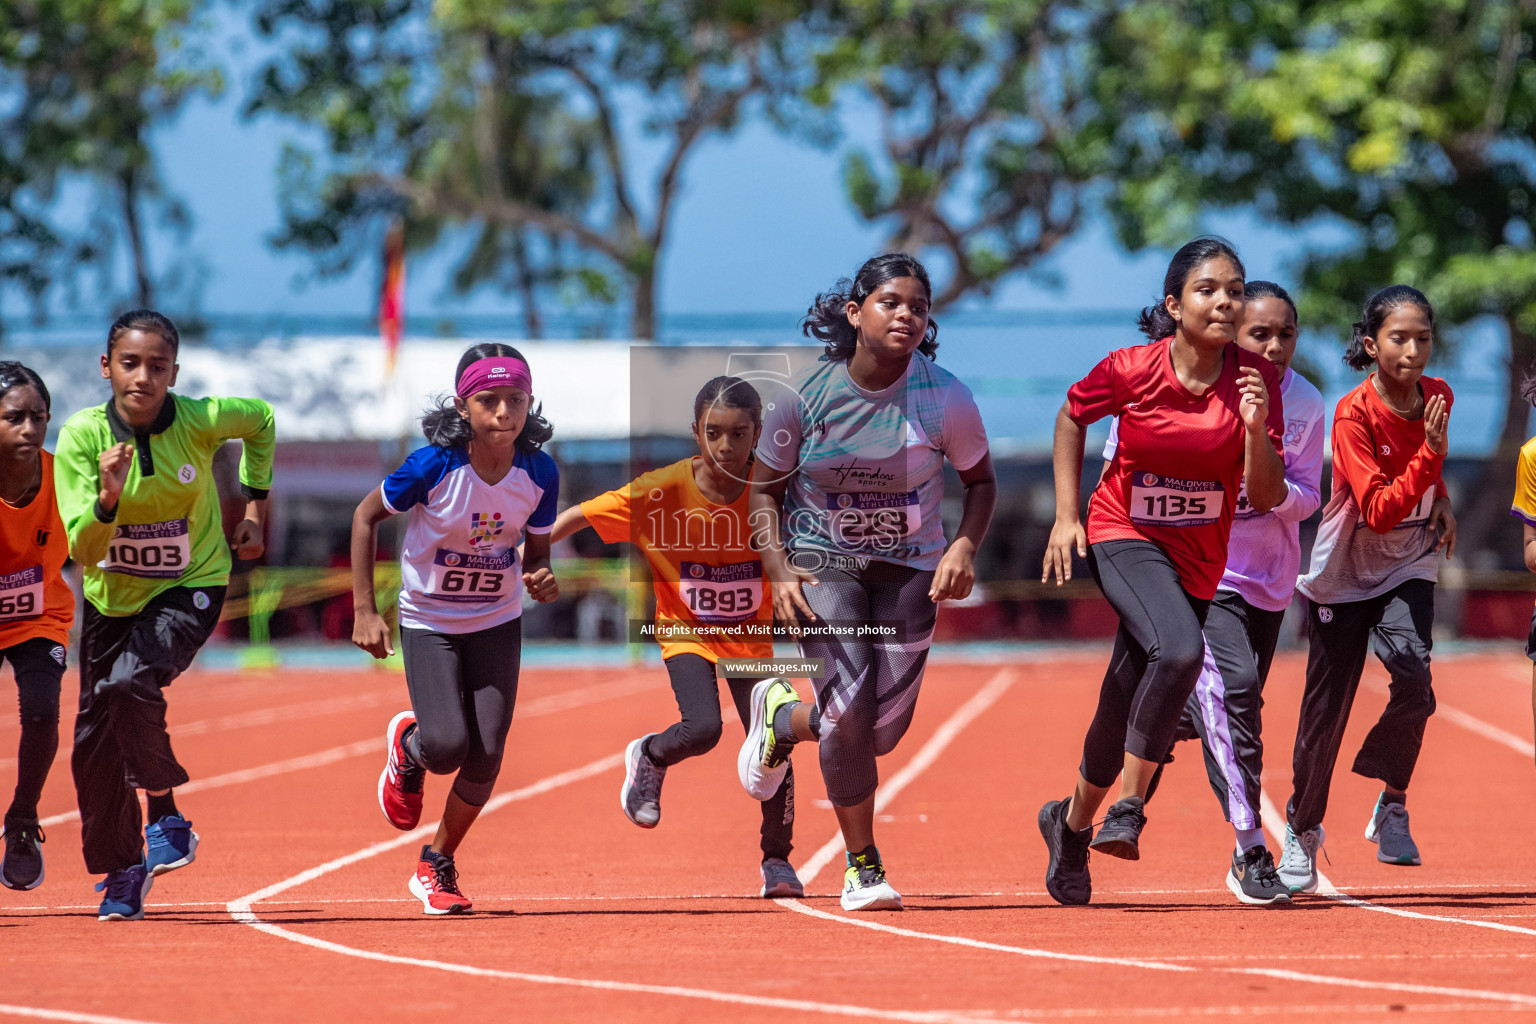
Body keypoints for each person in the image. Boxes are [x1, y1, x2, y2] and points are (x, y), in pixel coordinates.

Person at [740, 252, 995, 912]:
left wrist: (963, 547)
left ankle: (780, 720)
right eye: (891, 302)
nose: (907, 314)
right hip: (824, 562)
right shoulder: (804, 398)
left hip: (910, 568)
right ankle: (863, 865)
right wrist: (779, 568)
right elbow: (763, 491)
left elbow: (981, 483)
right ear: (855, 314)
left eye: (919, 305)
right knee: (850, 714)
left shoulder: (946, 399)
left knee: (879, 734)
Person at [1038, 237, 1286, 907]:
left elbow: (1264, 496)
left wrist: (1258, 430)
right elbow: (1071, 416)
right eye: (1209, 290)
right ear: (1175, 305)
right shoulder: (1130, 368)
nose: (1226, 301)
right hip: (1123, 531)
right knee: (1178, 651)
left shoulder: (1253, 383)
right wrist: (1067, 516)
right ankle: (1127, 808)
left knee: (1123, 692)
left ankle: (1069, 827)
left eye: (1235, 289)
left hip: (1198, 559)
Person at [1104, 281, 1324, 905]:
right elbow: (1121, 469)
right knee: (1238, 696)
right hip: (1199, 573)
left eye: (1287, 334)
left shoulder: (1304, 402)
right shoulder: (1175, 389)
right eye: (1261, 334)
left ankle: (1160, 732)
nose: (1275, 347)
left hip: (1267, 583)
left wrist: (1273, 494)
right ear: (1228, 333)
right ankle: (1250, 849)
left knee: (1225, 710)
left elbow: (1307, 495)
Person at [54, 310, 274, 921]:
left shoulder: (201, 421)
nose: (143, 377)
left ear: (174, 373)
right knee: (93, 749)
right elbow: (84, 552)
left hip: (189, 583)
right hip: (109, 599)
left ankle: (166, 813)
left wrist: (253, 506)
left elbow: (261, 420)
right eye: (130, 363)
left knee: (131, 680)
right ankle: (125, 871)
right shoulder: (80, 439)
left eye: (157, 366)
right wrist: (106, 499)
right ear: (106, 367)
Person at [550, 375, 802, 898]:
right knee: (704, 729)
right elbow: (577, 517)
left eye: (739, 433)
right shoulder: (658, 491)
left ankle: (777, 860)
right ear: (696, 432)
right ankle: (650, 754)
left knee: (777, 735)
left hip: (749, 642)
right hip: (686, 632)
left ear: (757, 434)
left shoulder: (772, 490)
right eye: (714, 433)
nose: (726, 446)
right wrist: (528, 558)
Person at [354, 343, 559, 916]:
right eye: (488, 401)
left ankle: (436, 862)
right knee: (447, 747)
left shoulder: (539, 471)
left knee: (487, 753)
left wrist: (542, 576)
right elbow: (365, 516)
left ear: (529, 403)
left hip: (497, 620)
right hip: (431, 620)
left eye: (515, 400)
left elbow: (538, 552)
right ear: (463, 405)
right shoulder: (433, 466)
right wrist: (365, 610)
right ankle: (411, 748)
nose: (503, 413)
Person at [1278, 286, 1454, 892]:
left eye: (1423, 338)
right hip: (1345, 574)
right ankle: (1302, 832)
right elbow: (1377, 509)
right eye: (1399, 338)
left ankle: (1393, 800)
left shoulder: (1440, 397)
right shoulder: (1353, 415)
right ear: (1371, 343)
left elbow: (1431, 464)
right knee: (1324, 714)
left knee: (1414, 677)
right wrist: (1431, 460)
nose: (1413, 350)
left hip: (1408, 563)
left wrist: (1445, 500)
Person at [0, 363, 74, 891]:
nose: (29, 429)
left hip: (38, 614)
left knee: (44, 713)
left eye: (38, 417)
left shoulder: (64, 478)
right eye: (13, 418)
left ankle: (23, 821)